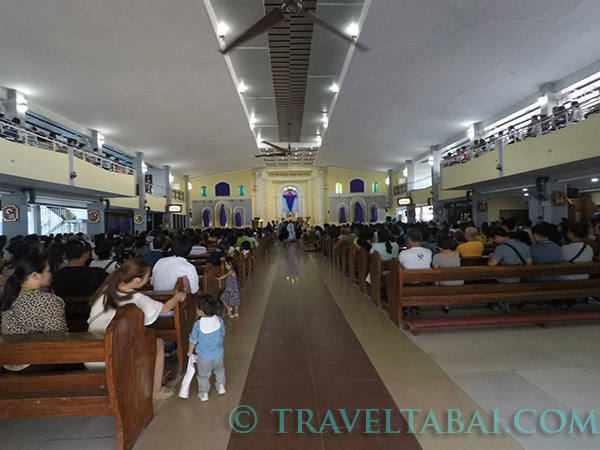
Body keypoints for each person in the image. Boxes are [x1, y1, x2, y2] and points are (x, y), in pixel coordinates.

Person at [87, 258, 186, 401]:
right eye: (147, 277)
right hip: (114, 356)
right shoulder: (136, 297)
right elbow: (164, 308)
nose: (148, 279)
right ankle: (156, 391)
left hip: (92, 356)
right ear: (137, 280)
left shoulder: (106, 289)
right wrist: (178, 296)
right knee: (157, 342)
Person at [187, 294, 226, 402]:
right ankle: (221, 386)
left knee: (203, 376)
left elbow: (193, 340)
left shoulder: (198, 325)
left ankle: (204, 394)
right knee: (219, 370)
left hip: (204, 357)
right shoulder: (219, 320)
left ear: (201, 311)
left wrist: (190, 351)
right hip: (218, 353)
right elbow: (222, 334)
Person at [432, 234, 463, 314]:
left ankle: (446, 305)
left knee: (439, 280)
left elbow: (435, 273)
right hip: (458, 281)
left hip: (445, 282)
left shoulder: (437, 257)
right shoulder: (456, 254)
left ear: (438, 245)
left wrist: (435, 284)